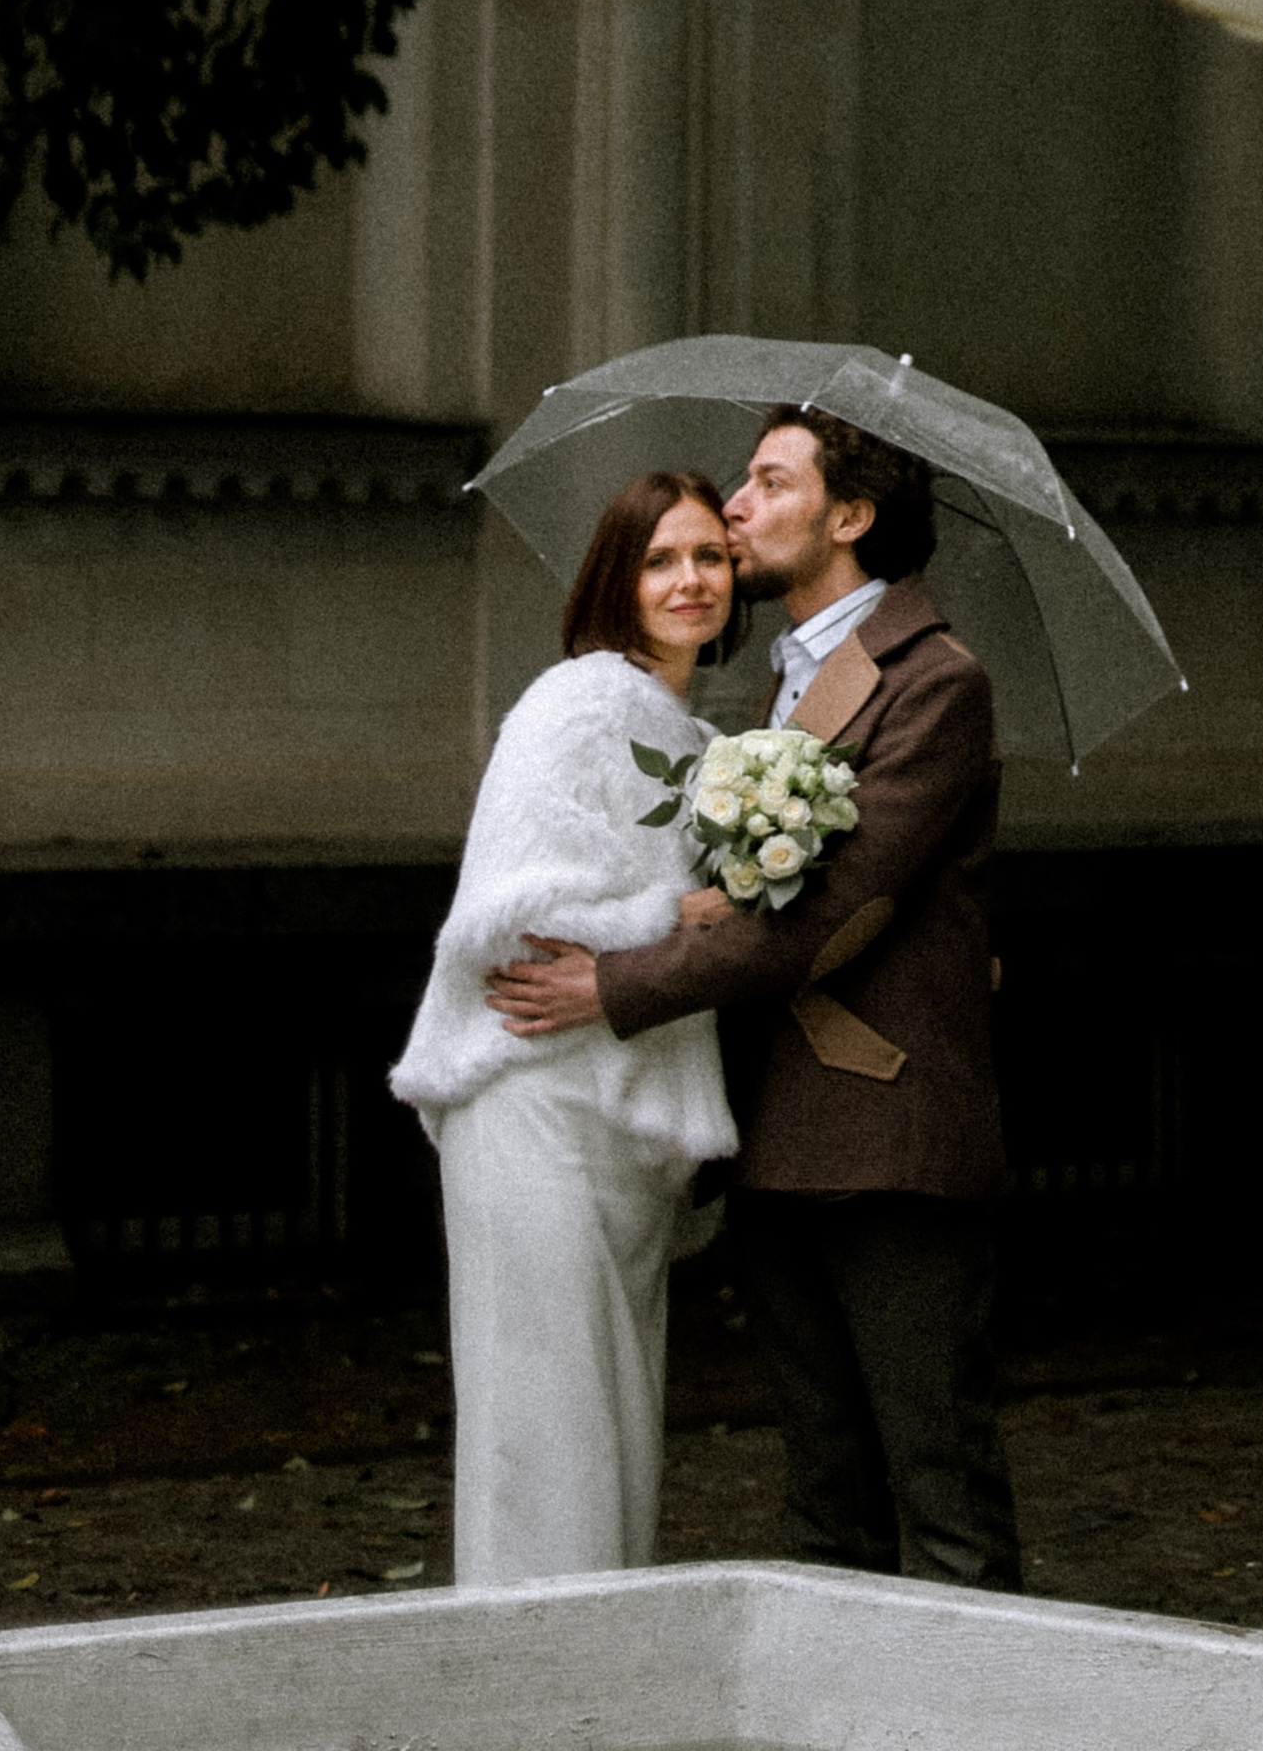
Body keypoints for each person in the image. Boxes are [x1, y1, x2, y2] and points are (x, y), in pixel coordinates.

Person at [488, 404, 1020, 1593]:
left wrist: (614, 984)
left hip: (889, 1134)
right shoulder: (776, 686)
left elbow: (828, 917)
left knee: (939, 1488)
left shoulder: (934, 682)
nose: (735, 503)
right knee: (825, 1498)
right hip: (774, 1125)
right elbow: (735, 898)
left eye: (769, 482)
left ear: (849, 517)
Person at [392, 469, 742, 1588]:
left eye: (710, 556)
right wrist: (675, 913)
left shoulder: (695, 736)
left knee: (616, 1417)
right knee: (542, 1420)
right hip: (534, 1098)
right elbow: (512, 913)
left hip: (619, 1118)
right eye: (660, 559)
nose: (690, 580)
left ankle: (599, 1670)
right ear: (615, 579)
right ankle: (531, 1679)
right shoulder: (580, 701)